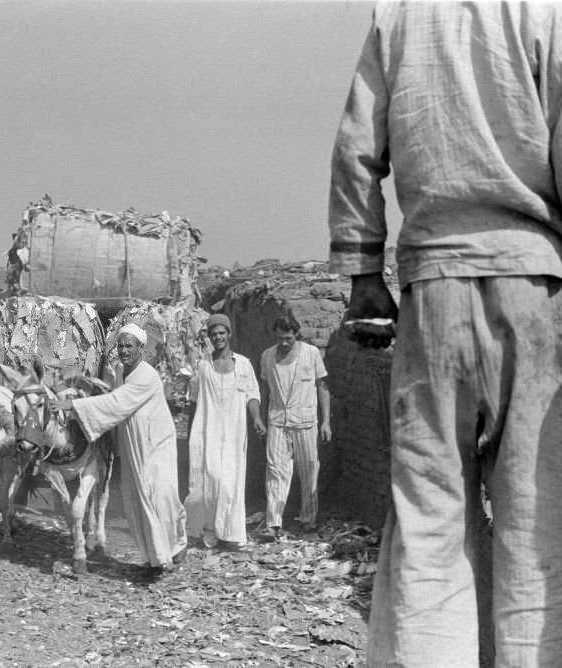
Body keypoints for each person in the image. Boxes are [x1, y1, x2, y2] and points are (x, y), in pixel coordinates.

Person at [328, 3, 562, 665]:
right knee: (537, 528)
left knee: (430, 526)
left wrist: (362, 271)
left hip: (433, 291)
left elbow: (356, 149)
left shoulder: (399, 15)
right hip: (535, 290)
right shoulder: (547, 12)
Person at [56, 323, 188, 577]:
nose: (124, 350)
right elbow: (112, 399)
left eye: (129, 346)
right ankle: (155, 559)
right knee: (138, 497)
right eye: (121, 346)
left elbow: (116, 402)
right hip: (133, 444)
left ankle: (177, 544)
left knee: (162, 495)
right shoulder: (119, 371)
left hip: (156, 443)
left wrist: (73, 406)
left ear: (141, 349)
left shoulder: (146, 376)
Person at [184, 314, 266, 550]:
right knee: (211, 480)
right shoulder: (203, 366)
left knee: (230, 482)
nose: (218, 338)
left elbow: (252, 395)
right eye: (213, 334)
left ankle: (231, 532)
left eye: (222, 333)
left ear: (229, 334)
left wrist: (257, 419)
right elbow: (194, 401)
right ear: (209, 337)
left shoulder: (243, 364)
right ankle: (211, 530)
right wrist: (193, 436)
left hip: (234, 431)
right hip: (207, 430)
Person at [258, 316, 330, 539]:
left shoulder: (311, 353)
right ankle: (274, 523)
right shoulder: (267, 356)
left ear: (296, 334)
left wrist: (326, 421)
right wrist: (261, 420)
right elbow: (265, 391)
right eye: (280, 338)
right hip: (278, 420)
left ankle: (308, 519)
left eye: (288, 338)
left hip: (306, 420)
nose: (284, 343)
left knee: (309, 470)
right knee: (275, 470)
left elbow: (323, 387)